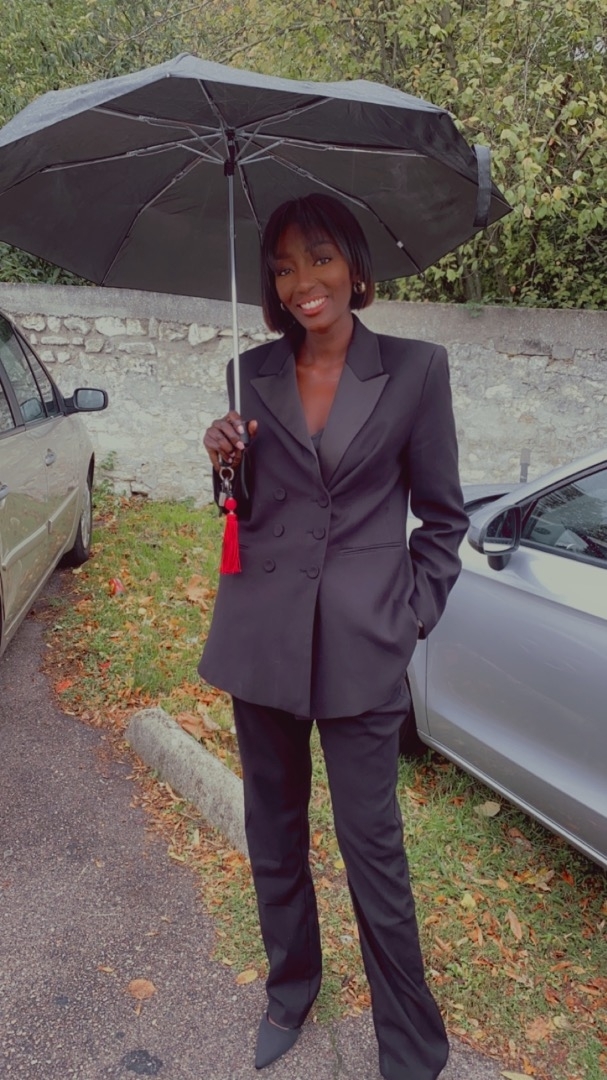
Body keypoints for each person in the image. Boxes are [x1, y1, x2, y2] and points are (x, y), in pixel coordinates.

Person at [199, 193, 468, 1079]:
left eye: (317, 258)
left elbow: (441, 518)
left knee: (373, 852)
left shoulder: (416, 369)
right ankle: (290, 989)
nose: (300, 281)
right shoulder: (248, 373)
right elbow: (242, 509)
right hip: (262, 638)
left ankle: (411, 1046)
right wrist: (222, 463)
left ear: (353, 265)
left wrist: (411, 615)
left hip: (361, 645)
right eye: (282, 267)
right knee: (273, 834)